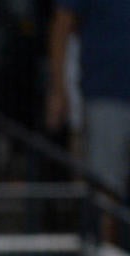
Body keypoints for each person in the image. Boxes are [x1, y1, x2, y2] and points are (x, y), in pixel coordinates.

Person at [46, 1, 130, 201]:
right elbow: (61, 25)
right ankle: (100, 232)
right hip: (107, 92)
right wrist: (59, 89)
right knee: (106, 188)